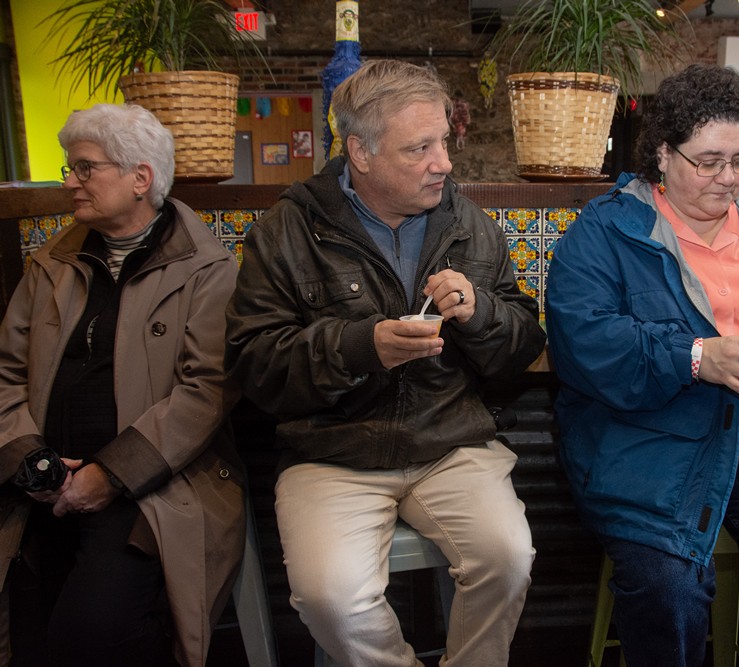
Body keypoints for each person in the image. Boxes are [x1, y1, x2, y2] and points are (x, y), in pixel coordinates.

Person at [544, 64, 739, 667]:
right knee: (670, 592)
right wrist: (697, 357)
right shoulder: (606, 231)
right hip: (649, 446)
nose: (729, 179)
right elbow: (582, 343)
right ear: (664, 155)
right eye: (709, 161)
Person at [225, 59, 546, 666]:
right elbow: (254, 363)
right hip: (332, 452)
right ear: (361, 154)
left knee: (507, 559)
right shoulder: (288, 230)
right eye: (419, 148)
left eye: (443, 142)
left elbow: (521, 346)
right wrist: (359, 347)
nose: (444, 163)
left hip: (450, 443)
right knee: (331, 599)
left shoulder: (470, 224)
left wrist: (480, 314)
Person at [0, 104, 243, 667]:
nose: (69, 182)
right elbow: (6, 375)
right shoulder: (49, 265)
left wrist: (108, 475)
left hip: (152, 486)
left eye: (84, 168)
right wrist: (30, 461)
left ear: (141, 178)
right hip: (40, 479)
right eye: (69, 168)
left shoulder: (208, 269)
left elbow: (206, 391)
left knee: (86, 636)